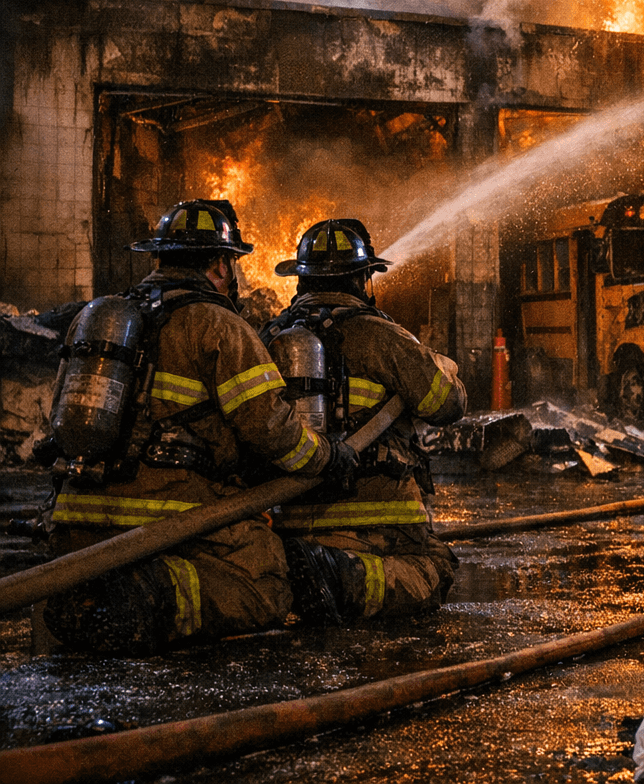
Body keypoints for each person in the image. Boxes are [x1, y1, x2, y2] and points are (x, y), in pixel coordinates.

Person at [42, 199, 350, 654]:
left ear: (159, 257)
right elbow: (274, 432)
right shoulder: (220, 327)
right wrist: (328, 455)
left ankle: (105, 590)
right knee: (266, 583)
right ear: (222, 265)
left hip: (74, 524)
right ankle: (152, 593)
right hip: (169, 522)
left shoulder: (100, 318)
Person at [262, 219, 465, 625]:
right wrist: (440, 365)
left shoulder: (267, 338)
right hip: (379, 523)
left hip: (287, 520)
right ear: (362, 279)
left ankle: (318, 565)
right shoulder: (383, 337)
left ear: (301, 280)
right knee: (435, 567)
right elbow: (448, 406)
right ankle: (343, 577)